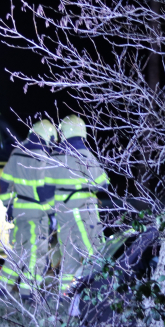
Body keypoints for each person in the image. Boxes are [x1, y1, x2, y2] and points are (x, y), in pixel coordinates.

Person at [48, 115, 108, 293]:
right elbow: (102, 183)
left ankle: (65, 295)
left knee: (69, 257)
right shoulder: (84, 154)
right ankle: (103, 290)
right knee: (95, 252)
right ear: (82, 131)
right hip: (83, 212)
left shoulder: (55, 156)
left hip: (62, 213)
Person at [0, 120, 57, 299]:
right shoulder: (42, 158)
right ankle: (28, 293)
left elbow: (4, 182)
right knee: (36, 255)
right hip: (37, 214)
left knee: (18, 251)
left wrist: (9, 207)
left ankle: (3, 287)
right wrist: (52, 214)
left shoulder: (16, 153)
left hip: (19, 211)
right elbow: (43, 190)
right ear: (47, 137)